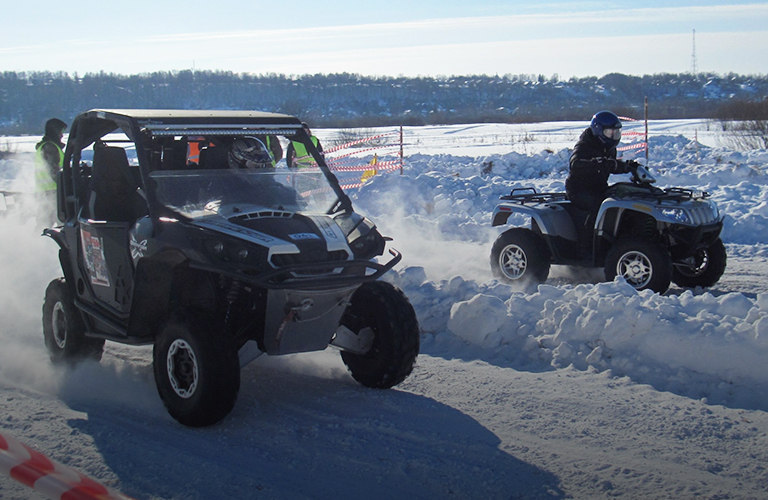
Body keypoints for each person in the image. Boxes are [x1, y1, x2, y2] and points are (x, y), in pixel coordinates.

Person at [565, 110, 637, 252]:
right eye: (610, 133)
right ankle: (587, 246)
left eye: (617, 132)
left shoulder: (608, 148)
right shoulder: (585, 145)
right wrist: (597, 163)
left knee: (623, 198)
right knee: (599, 206)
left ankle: (618, 238)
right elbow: (576, 164)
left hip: (599, 188)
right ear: (599, 131)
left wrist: (628, 166)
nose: (614, 136)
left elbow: (609, 165)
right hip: (579, 190)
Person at [34, 118, 67, 193]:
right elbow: (53, 171)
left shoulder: (50, 146)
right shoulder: (49, 147)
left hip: (46, 191)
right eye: (60, 132)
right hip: (51, 192)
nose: (62, 135)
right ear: (54, 131)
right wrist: (67, 184)